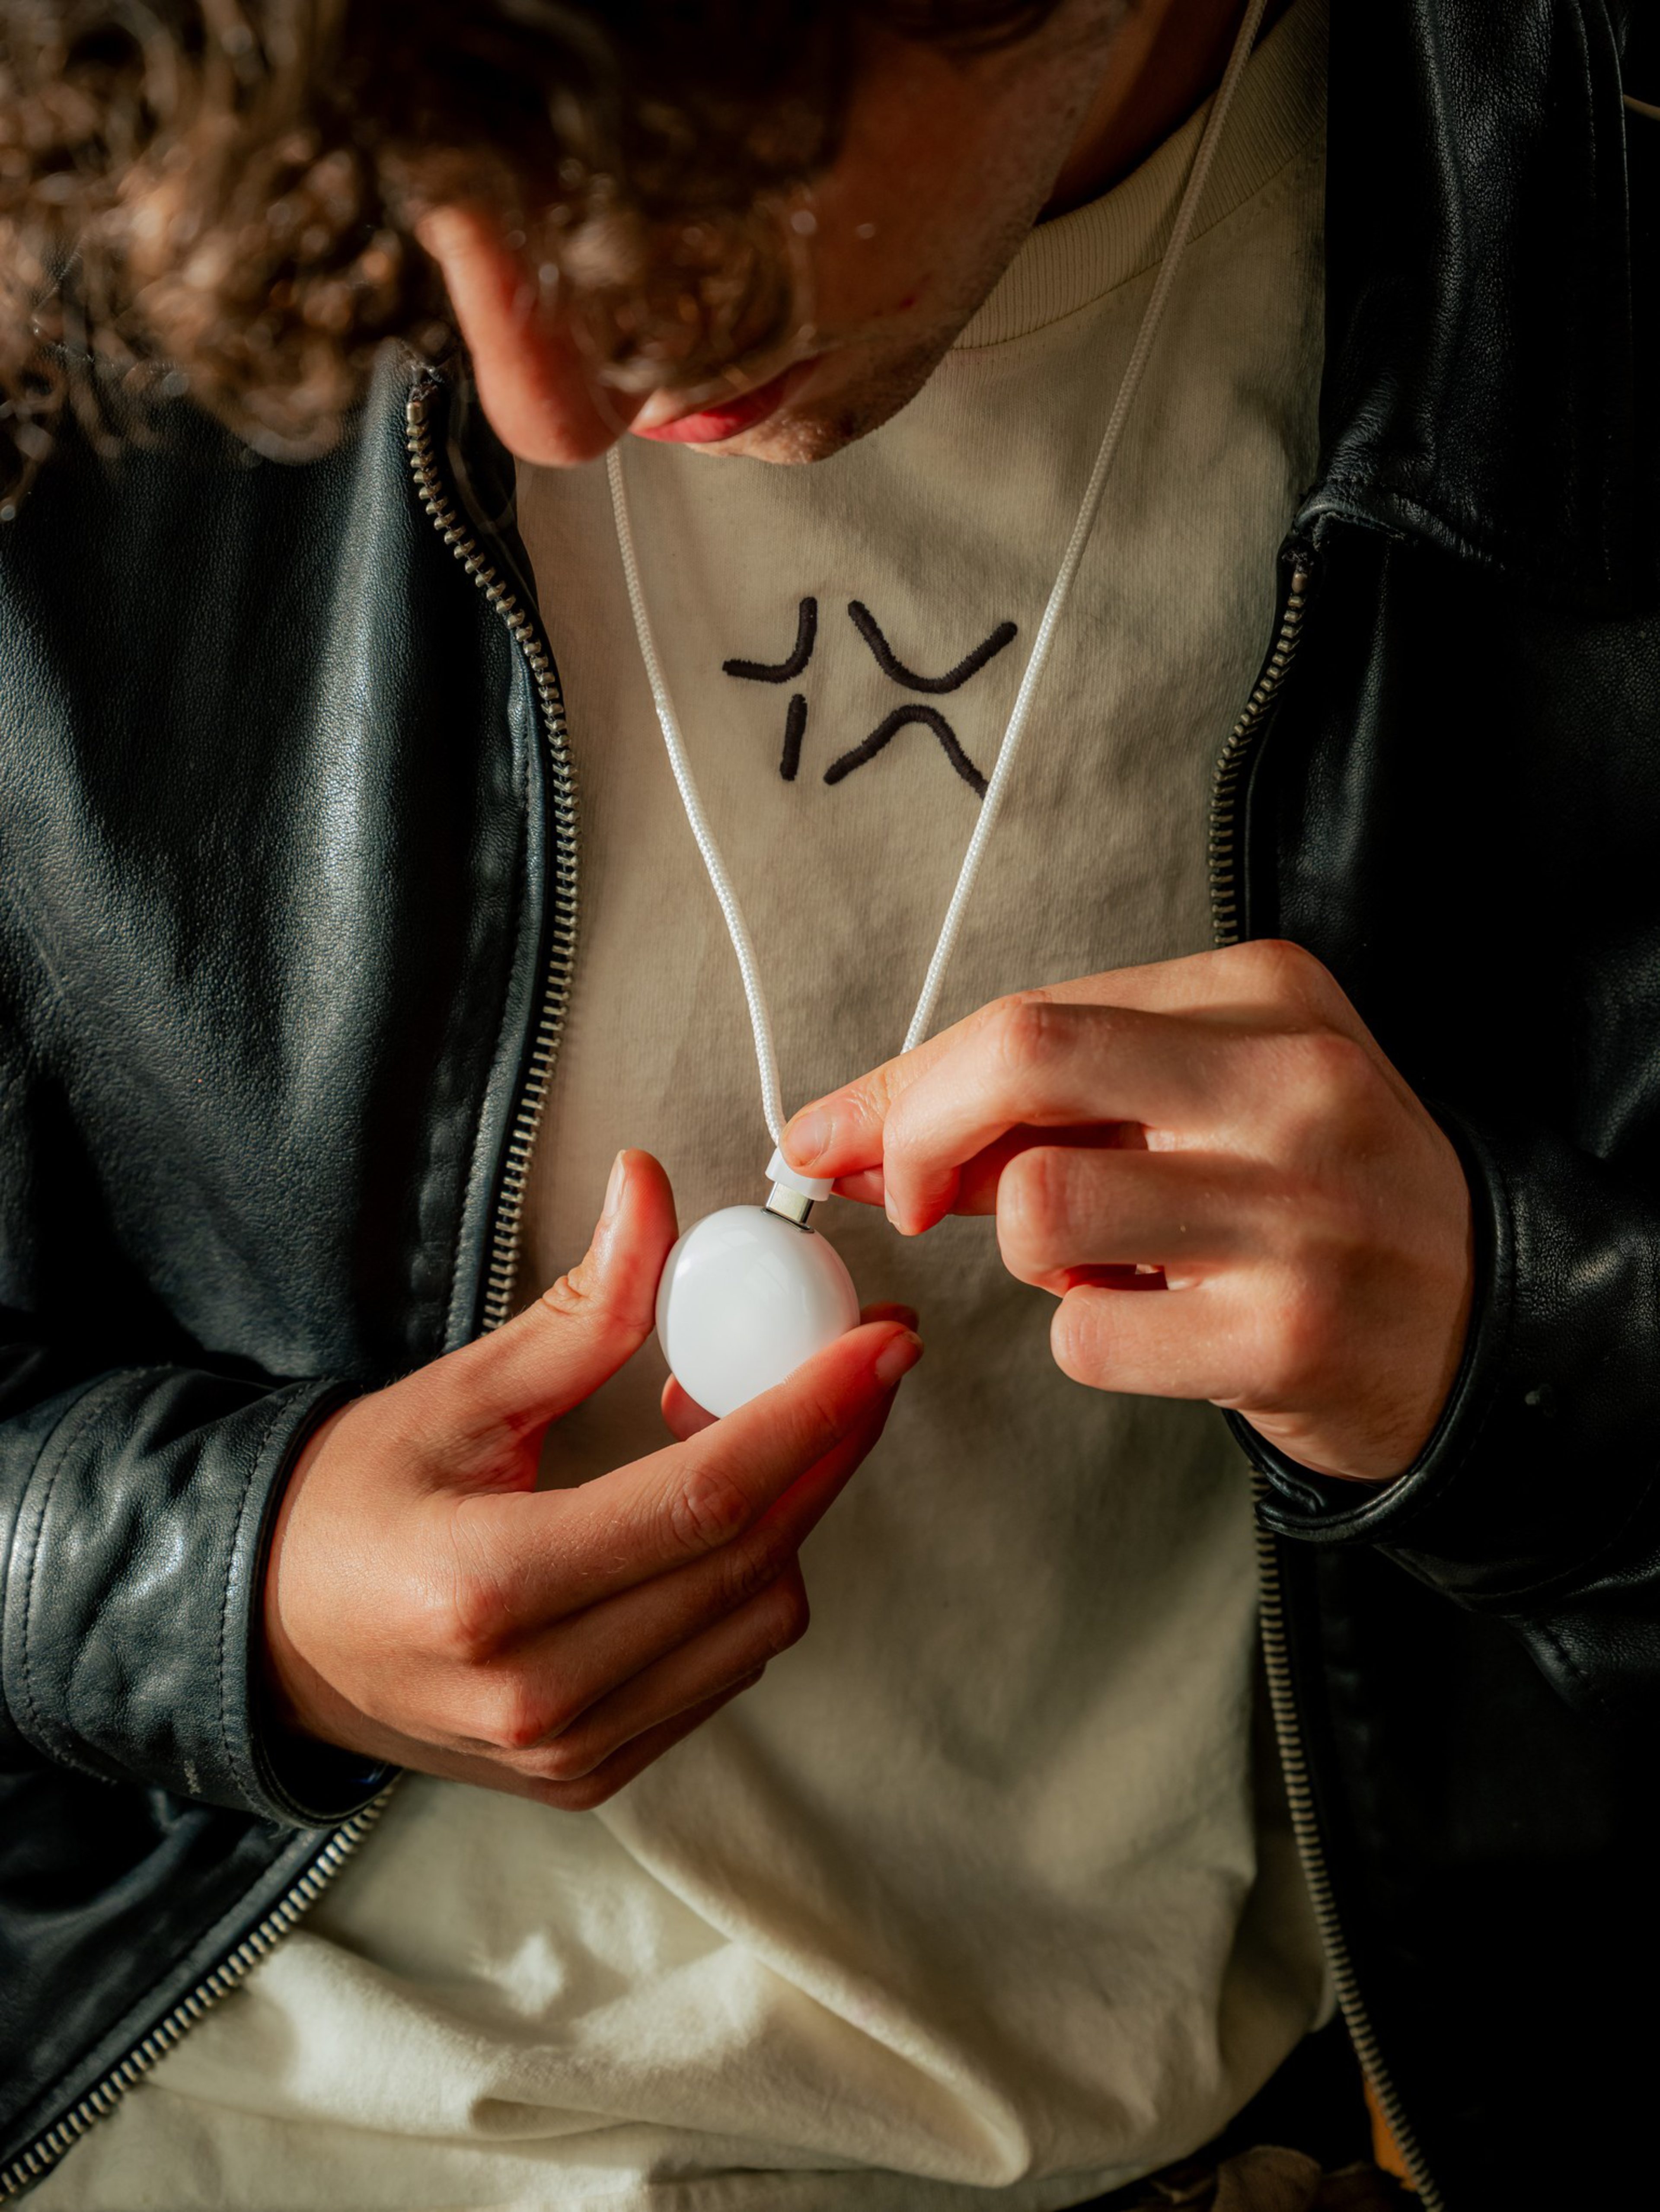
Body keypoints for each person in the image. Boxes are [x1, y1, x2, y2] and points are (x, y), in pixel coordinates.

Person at [0, 0, 1653, 2206]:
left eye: (666, 182)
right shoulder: (80, 215)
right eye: (423, 202)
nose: (540, 397)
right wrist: (225, 1589)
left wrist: (1518, 1343)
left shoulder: (1593, 248)